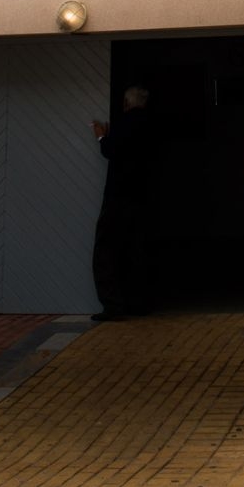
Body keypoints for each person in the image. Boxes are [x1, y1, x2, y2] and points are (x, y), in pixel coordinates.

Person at [90, 85, 155, 321]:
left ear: (127, 103)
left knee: (106, 251)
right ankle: (140, 304)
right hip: (143, 197)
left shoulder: (124, 123)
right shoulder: (151, 125)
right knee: (136, 251)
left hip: (118, 197)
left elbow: (110, 150)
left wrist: (101, 136)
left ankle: (113, 306)